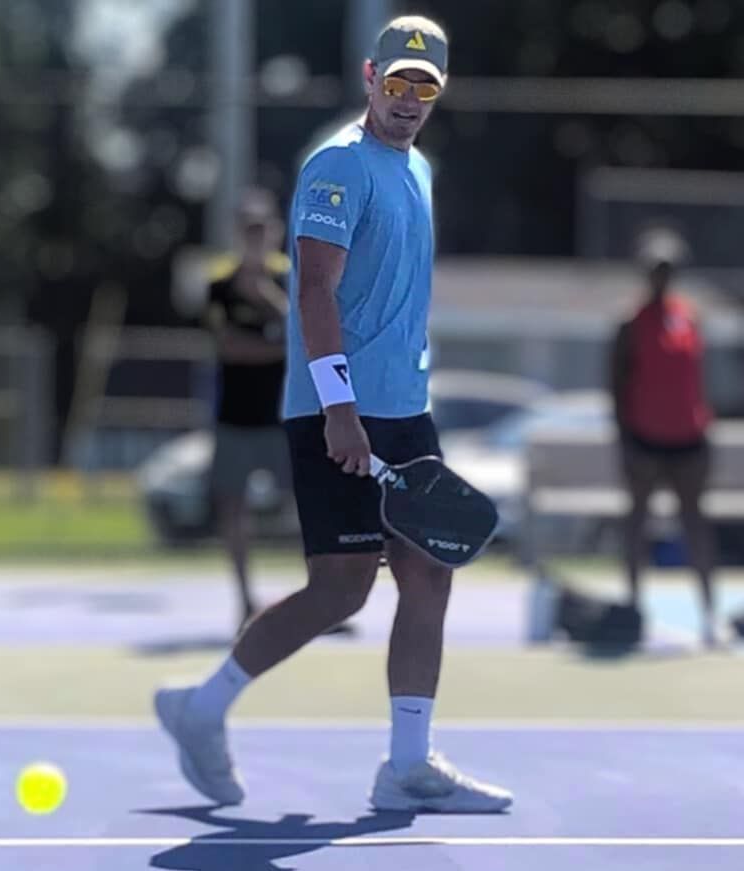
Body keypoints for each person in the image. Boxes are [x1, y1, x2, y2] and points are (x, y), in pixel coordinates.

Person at [155, 15, 512, 813]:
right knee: (343, 588)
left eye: (424, 87)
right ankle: (200, 706)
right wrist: (339, 408)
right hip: (334, 409)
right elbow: (313, 289)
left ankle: (407, 765)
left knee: (427, 575)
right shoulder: (336, 167)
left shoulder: (417, 171)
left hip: (404, 411)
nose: (409, 99)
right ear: (368, 78)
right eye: (397, 83)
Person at [203, 189, 356, 637]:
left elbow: (308, 333)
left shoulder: (290, 279)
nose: (255, 236)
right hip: (235, 417)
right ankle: (245, 600)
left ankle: (321, 600)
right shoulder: (219, 285)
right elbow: (226, 347)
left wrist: (267, 298)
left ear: (273, 231)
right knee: (233, 508)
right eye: (246, 228)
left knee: (310, 506)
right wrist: (273, 347)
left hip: (287, 417)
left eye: (261, 227)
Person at [609, 228, 717, 646]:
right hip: (645, 440)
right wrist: (625, 439)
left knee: (695, 525)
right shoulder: (629, 323)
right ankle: (635, 609)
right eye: (656, 269)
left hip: (689, 439)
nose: (663, 276)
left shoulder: (689, 317)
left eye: (669, 269)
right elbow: (616, 385)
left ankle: (709, 615)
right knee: (638, 524)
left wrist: (704, 428)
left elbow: (695, 379)